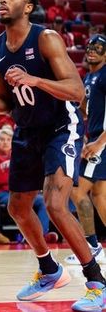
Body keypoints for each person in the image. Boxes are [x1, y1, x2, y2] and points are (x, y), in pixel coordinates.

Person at [0, 0, 105, 312]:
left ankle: (97, 282)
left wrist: (35, 80)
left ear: (27, 7)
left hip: (60, 127)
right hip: (26, 131)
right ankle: (49, 270)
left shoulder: (47, 39)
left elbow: (77, 90)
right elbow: (5, 102)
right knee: (18, 208)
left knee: (56, 205)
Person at [67, 34, 106, 266]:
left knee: (77, 191)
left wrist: (99, 142)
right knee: (100, 195)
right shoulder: (90, 77)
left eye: (98, 48)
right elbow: (88, 111)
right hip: (95, 140)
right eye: (90, 46)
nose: (92, 50)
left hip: (102, 143)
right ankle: (95, 246)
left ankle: (92, 246)